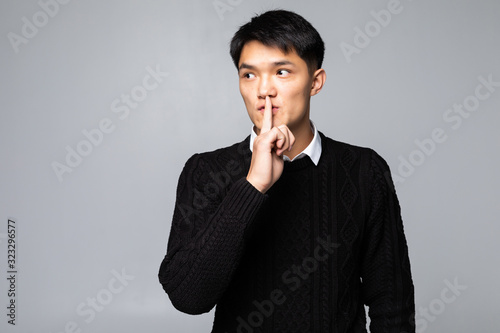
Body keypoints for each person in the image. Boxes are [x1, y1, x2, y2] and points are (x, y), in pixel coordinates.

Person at [159, 9, 415, 333]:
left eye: (281, 72)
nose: (264, 90)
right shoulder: (206, 171)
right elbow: (188, 297)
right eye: (248, 75)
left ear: (315, 82)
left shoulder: (366, 171)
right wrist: (252, 186)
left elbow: (392, 301)